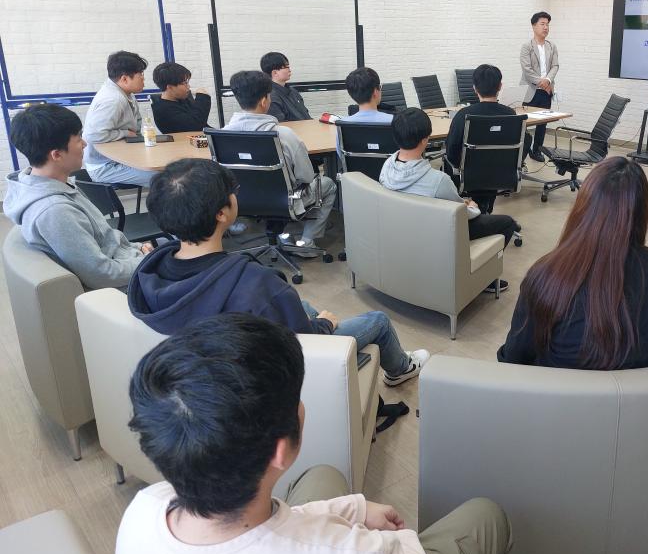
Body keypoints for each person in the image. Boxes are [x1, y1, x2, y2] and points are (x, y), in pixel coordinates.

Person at [116, 313, 511, 554]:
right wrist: (391, 542)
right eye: (296, 398)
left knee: (324, 475)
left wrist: (352, 511)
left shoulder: (144, 511)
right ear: (279, 451)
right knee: (486, 515)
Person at [129, 157, 429, 386]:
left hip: (211, 366)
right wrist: (323, 326)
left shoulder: (149, 274)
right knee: (378, 321)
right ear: (222, 213)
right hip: (278, 368)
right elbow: (301, 344)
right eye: (232, 192)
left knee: (304, 305)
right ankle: (401, 369)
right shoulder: (257, 285)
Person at [498, 157, 648, 369]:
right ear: (642, 211)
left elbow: (513, 360)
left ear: (584, 207)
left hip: (559, 390)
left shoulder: (546, 277)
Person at [4, 104, 151, 289]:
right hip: (124, 286)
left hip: (128, 260)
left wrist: (138, 249)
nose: (84, 144)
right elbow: (103, 274)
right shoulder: (55, 211)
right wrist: (149, 261)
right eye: (78, 138)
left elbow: (105, 241)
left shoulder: (55, 184)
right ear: (57, 155)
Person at [379, 108, 519, 293]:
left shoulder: (387, 166)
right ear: (425, 140)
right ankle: (485, 279)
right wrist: (472, 206)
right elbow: (461, 215)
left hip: (403, 229)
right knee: (508, 223)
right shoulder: (438, 180)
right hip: (437, 233)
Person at [224, 70, 336, 257]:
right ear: (264, 101)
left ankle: (281, 235)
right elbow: (307, 176)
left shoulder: (222, 135)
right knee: (327, 184)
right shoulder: (284, 134)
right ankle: (306, 244)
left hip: (241, 201)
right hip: (285, 201)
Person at [445, 63, 527, 212]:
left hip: (470, 176)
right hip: (501, 174)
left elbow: (451, 152)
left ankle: (479, 211)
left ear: (474, 88)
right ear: (500, 86)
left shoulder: (464, 115)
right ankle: (486, 209)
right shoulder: (511, 115)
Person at [82, 50, 156, 186]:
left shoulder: (126, 93)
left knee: (170, 168)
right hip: (105, 166)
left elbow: (136, 125)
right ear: (124, 79)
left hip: (120, 156)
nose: (143, 79)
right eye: (140, 74)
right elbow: (94, 135)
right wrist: (125, 133)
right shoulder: (113, 100)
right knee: (166, 179)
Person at [519, 11, 559, 163]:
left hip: (546, 91)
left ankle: (536, 151)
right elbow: (527, 70)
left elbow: (555, 66)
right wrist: (543, 82)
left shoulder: (552, 46)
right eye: (542, 24)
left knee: (542, 123)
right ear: (533, 26)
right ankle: (521, 151)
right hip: (530, 90)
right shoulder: (526, 46)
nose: (546, 27)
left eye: (547, 24)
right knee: (524, 123)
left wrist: (548, 80)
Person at [150, 61, 211, 133]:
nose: (188, 86)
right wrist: (202, 98)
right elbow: (196, 126)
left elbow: (202, 123)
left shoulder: (181, 98)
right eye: (184, 83)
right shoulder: (163, 110)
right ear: (170, 87)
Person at [261, 51, 312, 122]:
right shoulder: (271, 97)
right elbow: (280, 124)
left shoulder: (293, 91)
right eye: (286, 67)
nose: (289, 70)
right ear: (275, 73)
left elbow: (306, 115)